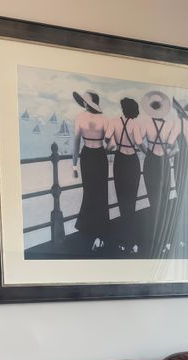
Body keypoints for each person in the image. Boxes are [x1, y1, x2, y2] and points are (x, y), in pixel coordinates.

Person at [139, 91, 177, 259]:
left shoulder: (145, 122)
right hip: (164, 164)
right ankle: (162, 239)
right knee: (163, 200)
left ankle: (152, 240)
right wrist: (165, 155)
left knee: (152, 200)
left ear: (150, 108)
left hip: (151, 162)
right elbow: (175, 148)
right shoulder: (169, 125)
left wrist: (149, 152)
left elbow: (138, 142)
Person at [106, 97, 145, 255]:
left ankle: (123, 242)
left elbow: (109, 142)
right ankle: (132, 242)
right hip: (133, 162)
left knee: (122, 203)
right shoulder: (135, 124)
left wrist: (112, 144)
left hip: (120, 161)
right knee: (132, 203)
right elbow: (140, 144)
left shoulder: (114, 122)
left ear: (123, 109)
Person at [71, 91, 109, 252]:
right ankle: (99, 234)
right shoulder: (104, 119)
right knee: (100, 194)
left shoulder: (80, 118)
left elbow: (75, 142)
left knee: (90, 193)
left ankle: (89, 231)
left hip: (87, 156)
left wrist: (74, 165)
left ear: (89, 103)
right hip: (99, 156)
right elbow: (110, 141)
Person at [171, 98, 188, 257]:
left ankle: (178, 238)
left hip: (180, 163)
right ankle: (187, 239)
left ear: (180, 112)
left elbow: (171, 145)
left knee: (179, 197)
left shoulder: (179, 125)